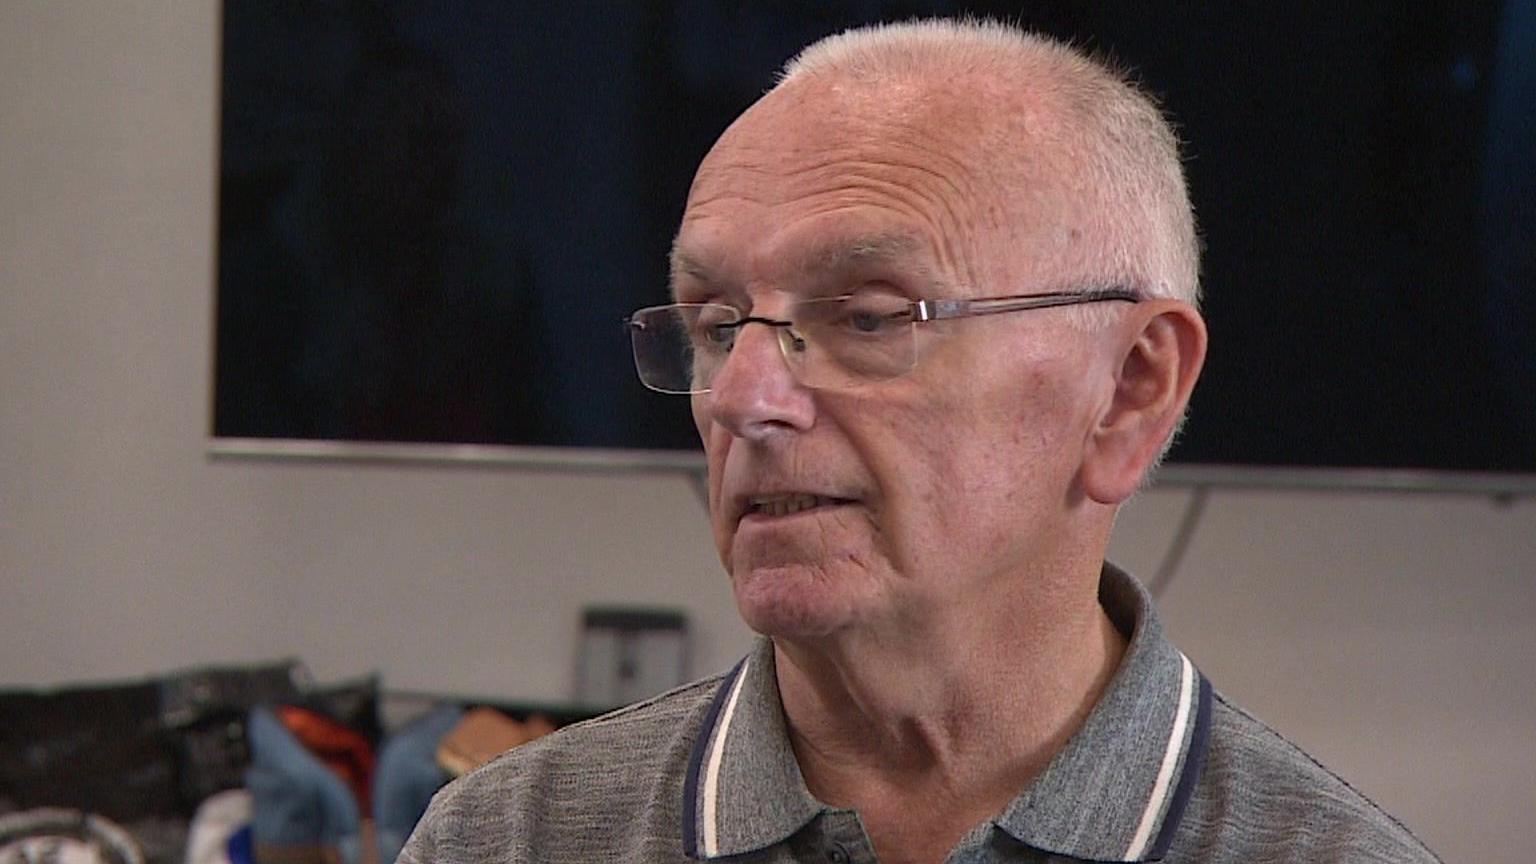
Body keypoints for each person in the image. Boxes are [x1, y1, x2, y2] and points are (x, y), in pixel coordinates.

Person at [400, 19, 1440, 864]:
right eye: (717, 325)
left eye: (867, 316)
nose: (745, 399)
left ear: (1129, 389)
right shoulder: (503, 841)